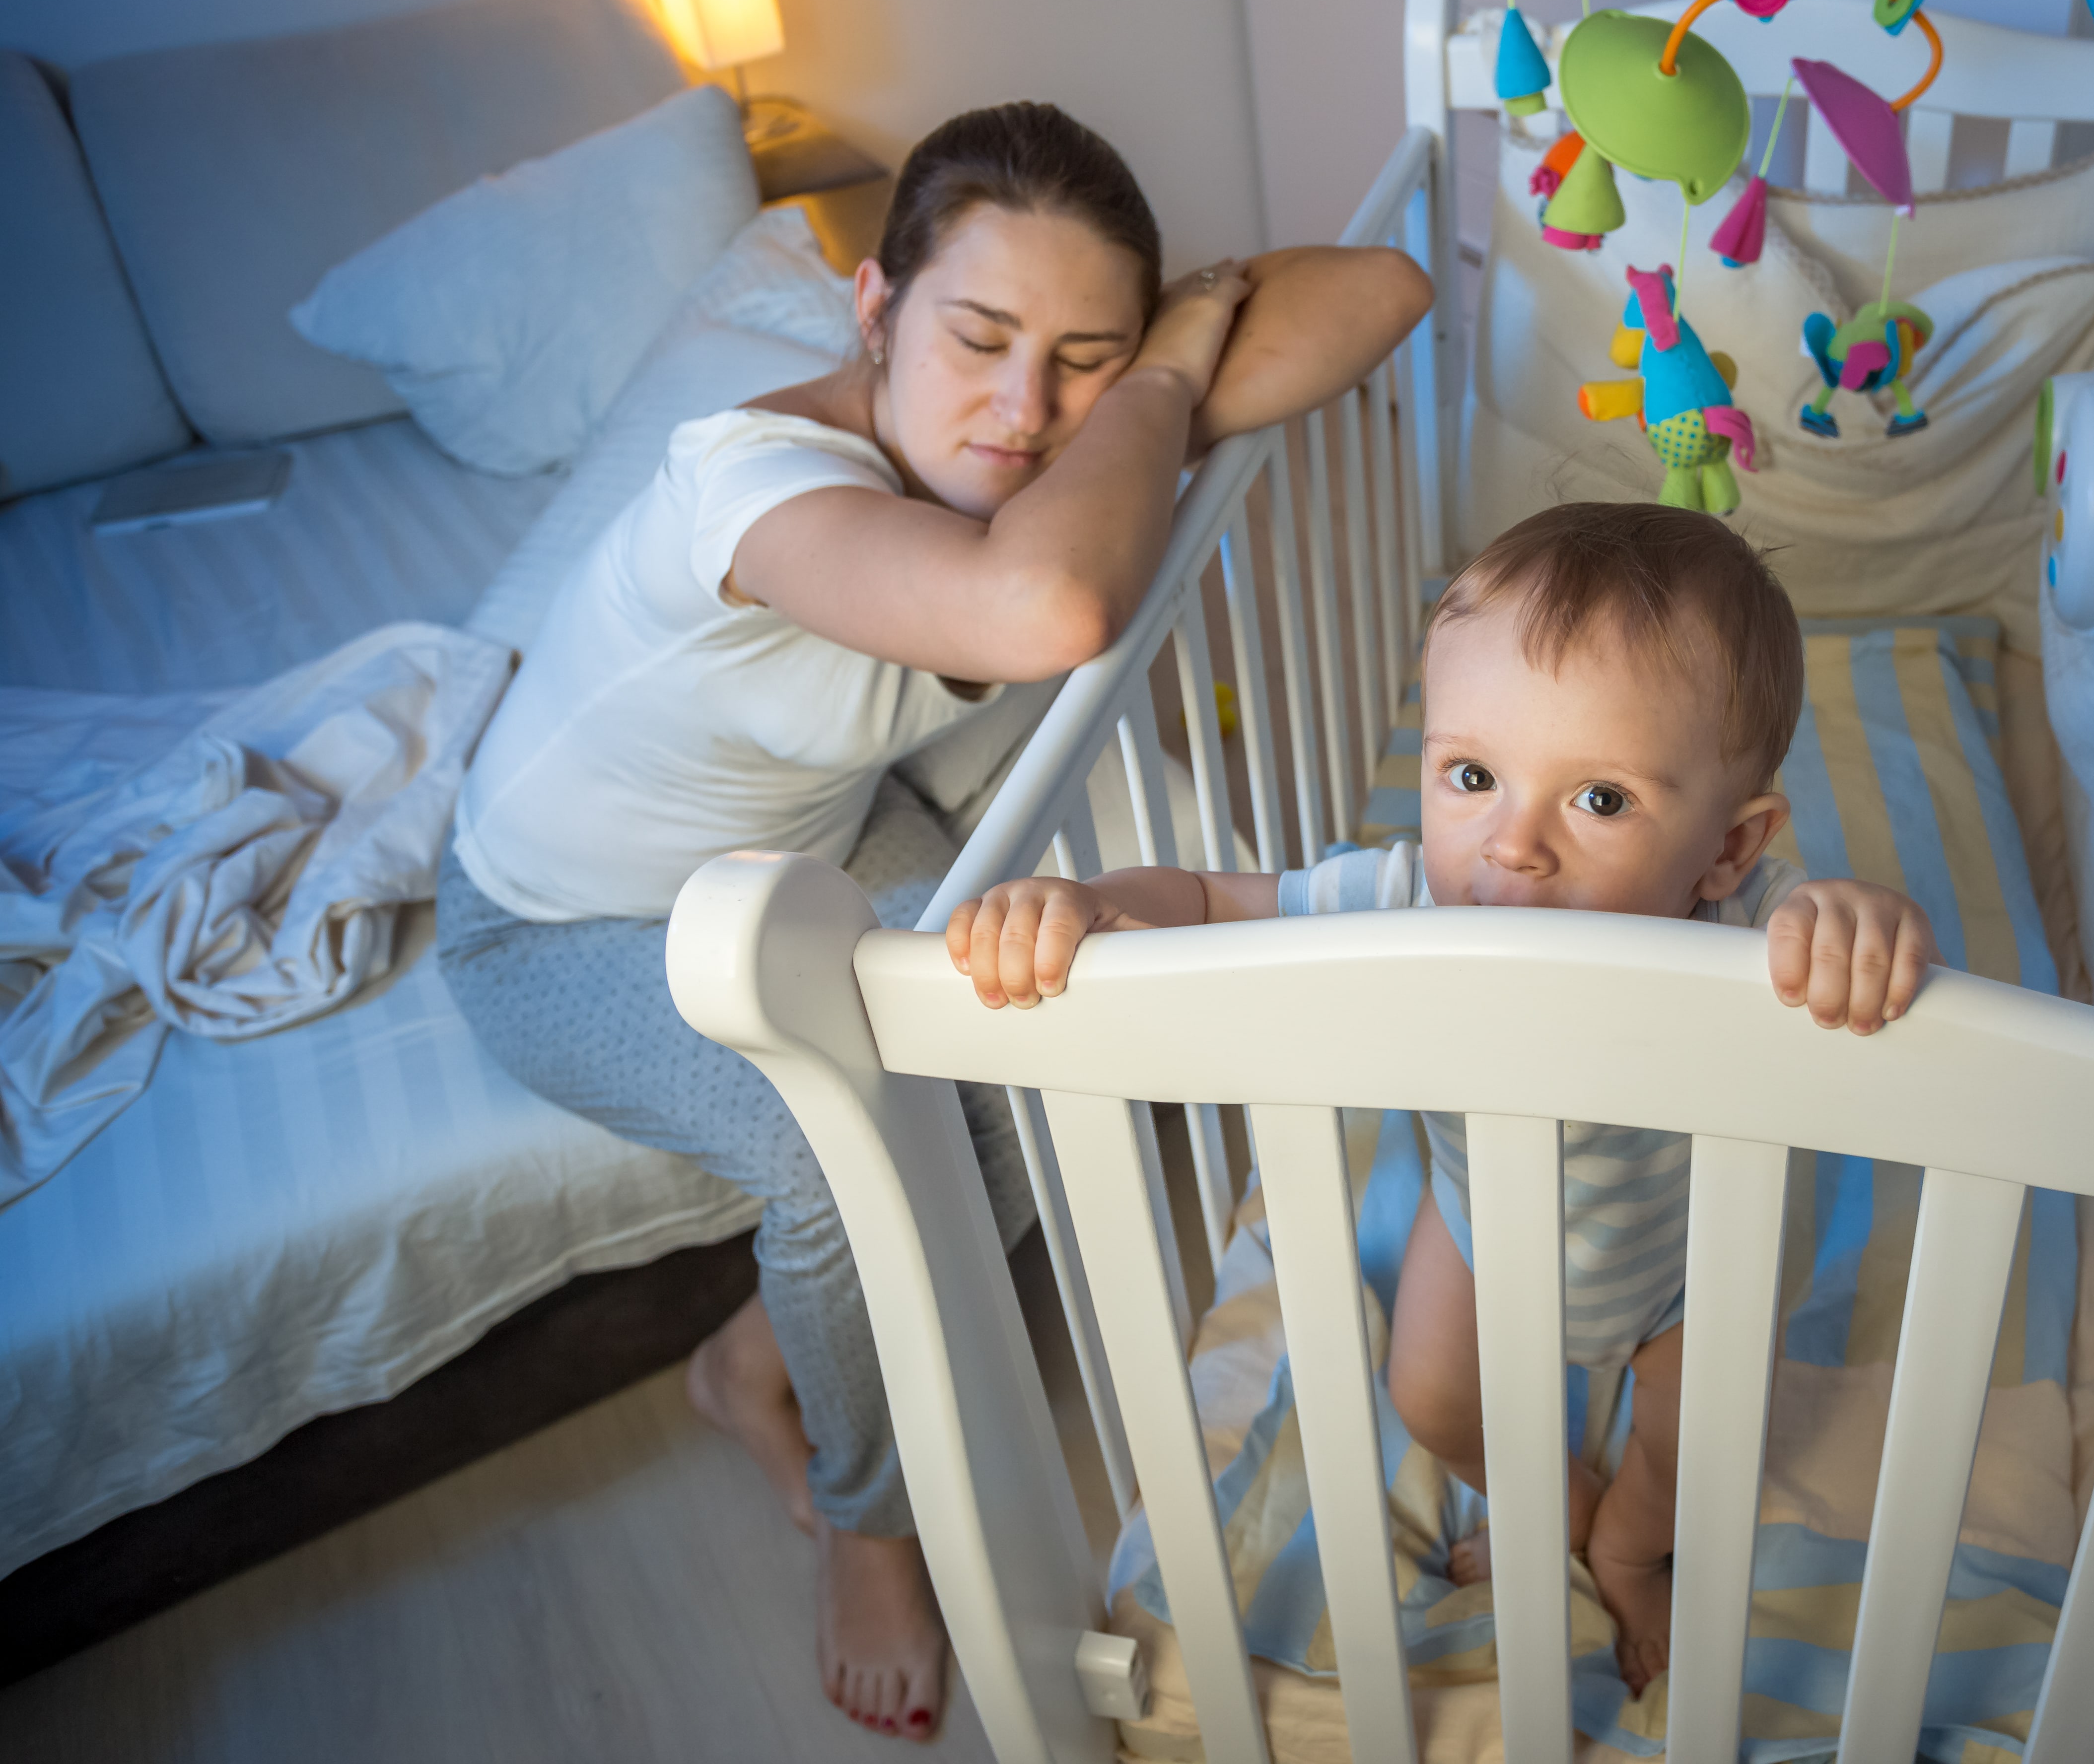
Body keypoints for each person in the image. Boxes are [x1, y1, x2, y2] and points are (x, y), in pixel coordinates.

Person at [434, 100, 1430, 1742]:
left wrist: (1160, 348)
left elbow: (1387, 284)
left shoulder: (1039, 431)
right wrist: (1167, 369)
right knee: (843, 1144)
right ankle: (868, 1514)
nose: (1023, 412)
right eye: (976, 336)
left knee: (1034, 1012)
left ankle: (754, 1355)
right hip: (565, 920)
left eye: (1078, 357)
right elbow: (1046, 603)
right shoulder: (751, 487)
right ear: (874, 309)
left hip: (800, 838)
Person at [946, 501, 1937, 1696]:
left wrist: (1861, 922)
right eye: (1473, 775)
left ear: (1727, 847)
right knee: (1429, 1397)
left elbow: (1833, 938)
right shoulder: (1412, 896)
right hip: (1480, 1235)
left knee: (1700, 1454)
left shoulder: (1744, 924)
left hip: (1690, 1266)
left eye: (1602, 799)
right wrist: (1096, 901)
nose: (1512, 847)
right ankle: (1553, 1490)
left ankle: (1624, 1549)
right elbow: (1211, 901)